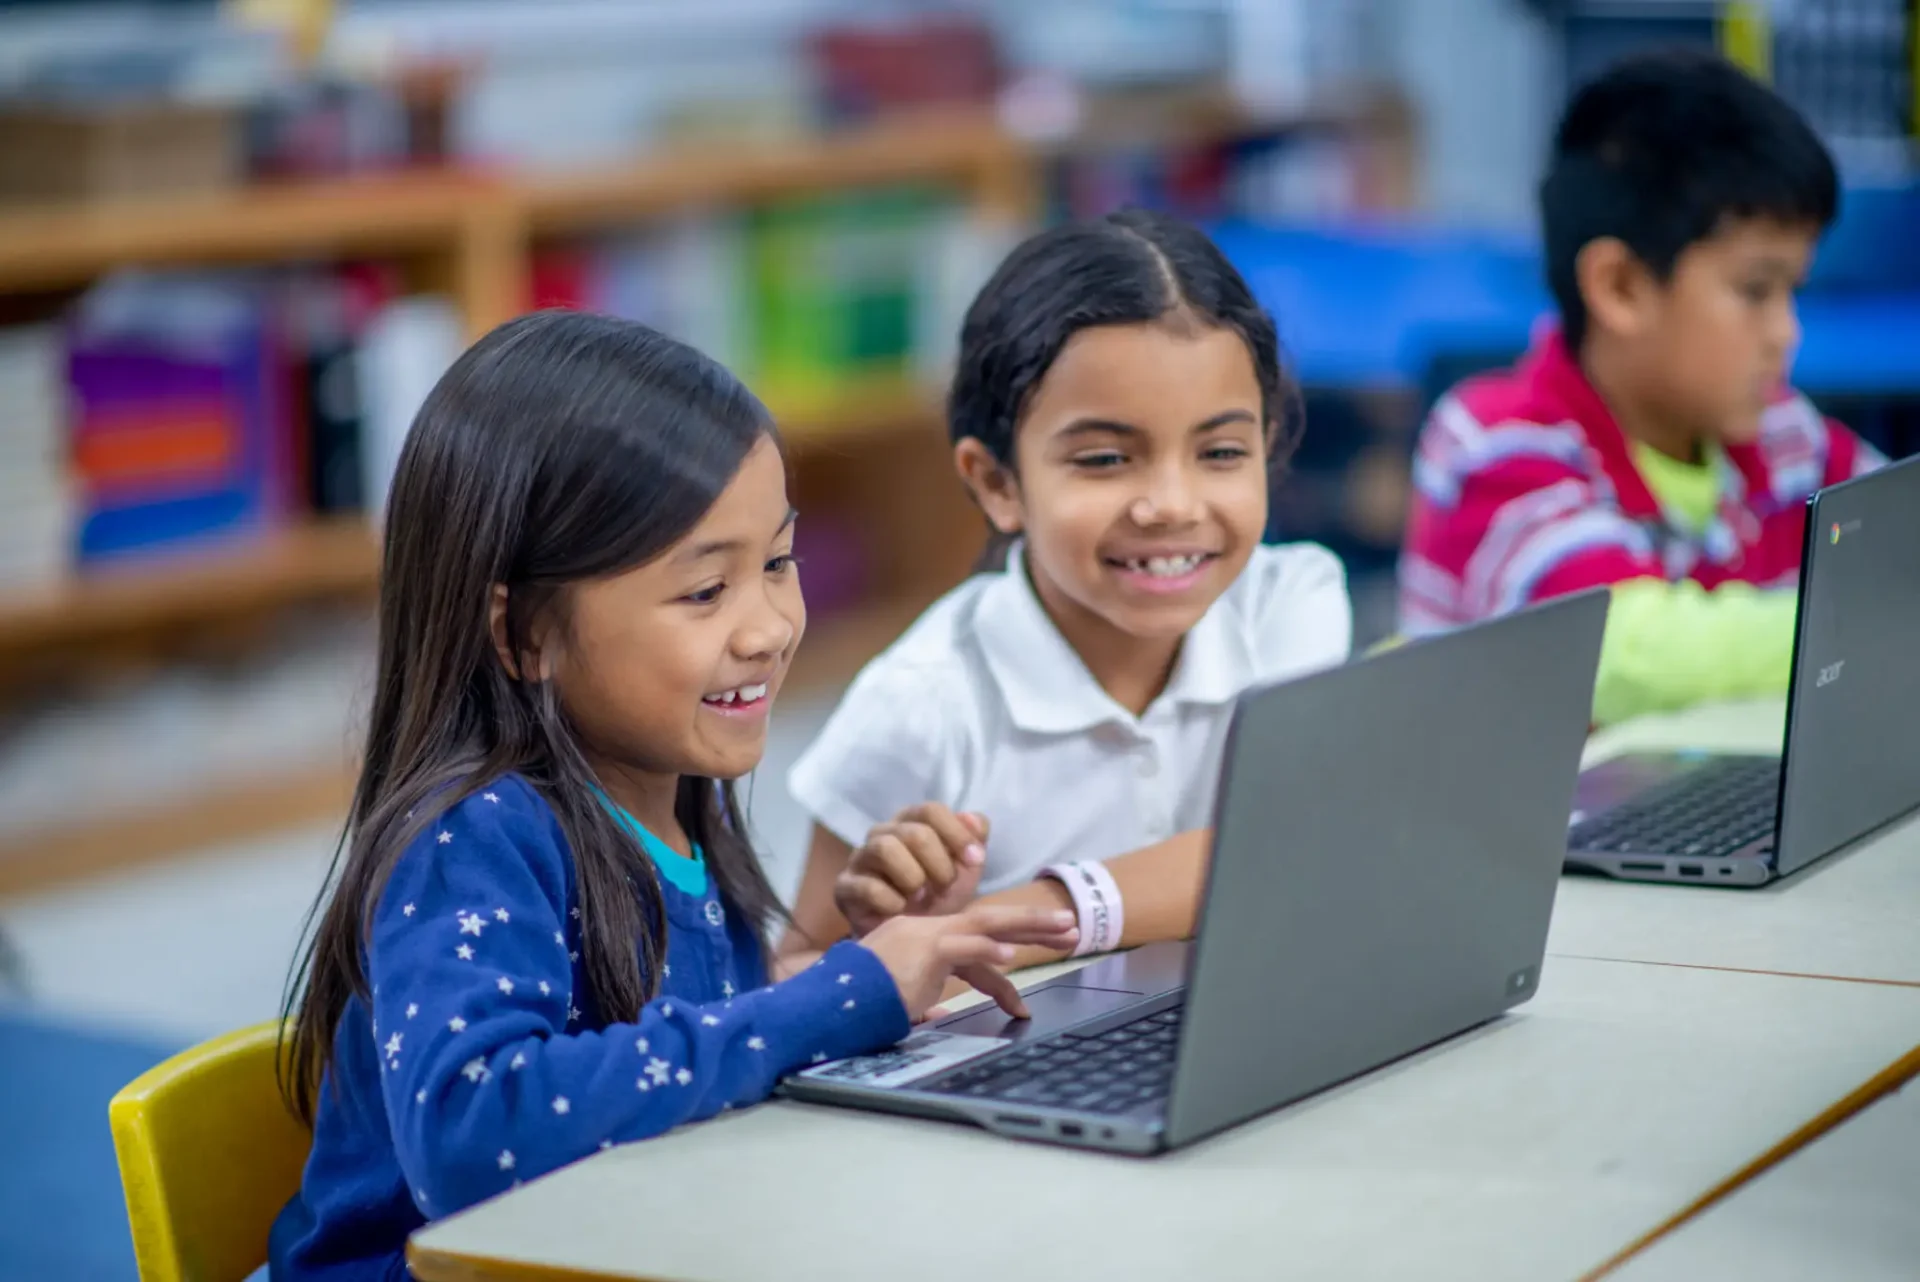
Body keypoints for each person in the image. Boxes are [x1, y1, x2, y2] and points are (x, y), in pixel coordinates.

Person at [269, 313, 1075, 1281]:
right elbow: (472, 1132)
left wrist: (862, 954)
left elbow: (687, 1045)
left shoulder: (680, 800)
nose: (770, 628)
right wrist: (836, 998)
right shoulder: (469, 835)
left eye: (777, 563)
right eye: (704, 592)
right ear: (522, 633)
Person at [779, 210, 1351, 992]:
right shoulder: (918, 705)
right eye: (1106, 459)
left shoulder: (1290, 602)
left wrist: (996, 925)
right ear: (997, 483)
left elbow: (1288, 845)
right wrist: (892, 940)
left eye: (1221, 452)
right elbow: (792, 978)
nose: (1171, 504)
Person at [1398, 49, 1884, 725]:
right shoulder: (1495, 444)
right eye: (1755, 290)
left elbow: (1896, 543)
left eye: (1791, 292)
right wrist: (1860, 623)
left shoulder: (1785, 438)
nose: (1785, 332)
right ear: (1621, 287)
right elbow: (1614, 653)